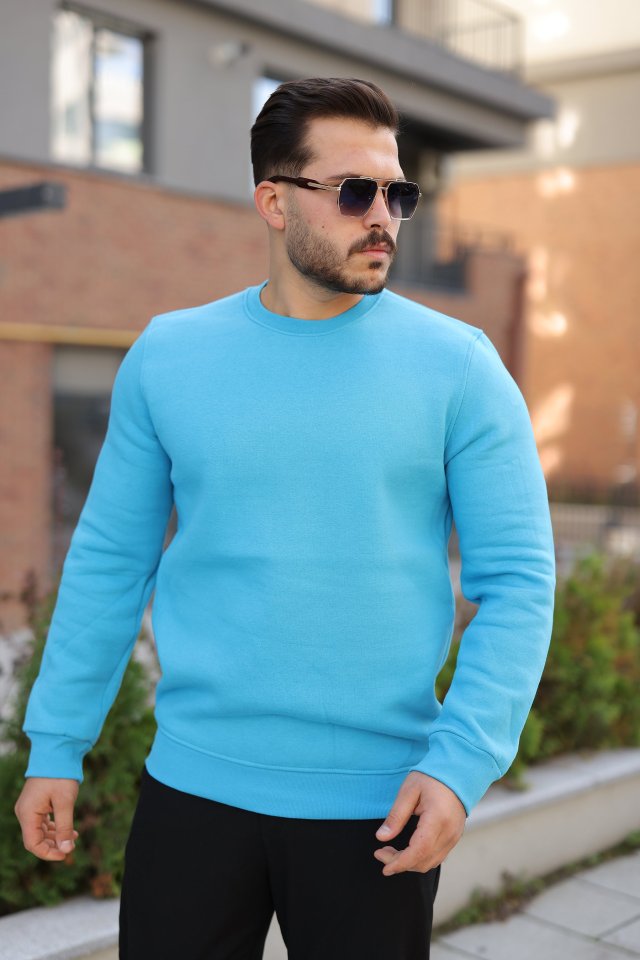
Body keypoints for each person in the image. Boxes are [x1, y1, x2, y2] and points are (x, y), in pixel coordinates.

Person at [14, 77, 556, 959]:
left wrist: (460, 766)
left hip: (379, 810)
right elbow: (111, 560)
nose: (382, 216)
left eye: (397, 194)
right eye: (353, 191)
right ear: (274, 201)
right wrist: (57, 743)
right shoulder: (168, 355)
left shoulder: (459, 366)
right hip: (191, 796)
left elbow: (521, 584)